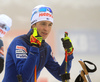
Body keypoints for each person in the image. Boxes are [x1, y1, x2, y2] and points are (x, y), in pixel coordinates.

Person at [3, 5, 74, 82]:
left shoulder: (46, 48)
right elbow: (24, 77)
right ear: (33, 25)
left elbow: (61, 75)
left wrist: (69, 54)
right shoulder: (19, 43)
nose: (46, 29)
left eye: (50, 25)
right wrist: (34, 47)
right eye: (43, 24)